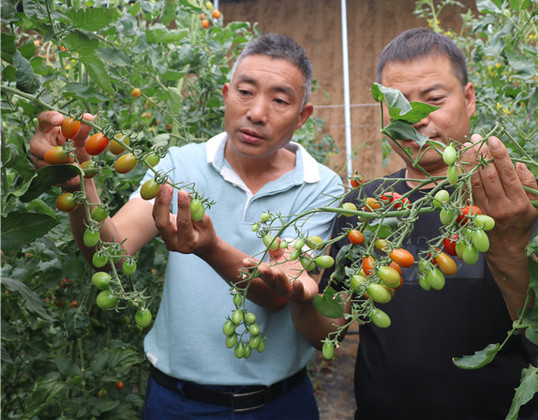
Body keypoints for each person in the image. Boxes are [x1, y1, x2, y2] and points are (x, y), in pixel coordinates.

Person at [29, 33, 343, 419]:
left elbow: (280, 293)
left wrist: (209, 247)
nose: (257, 112)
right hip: (175, 402)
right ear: (227, 94)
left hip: (278, 404)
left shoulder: (321, 184)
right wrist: (80, 185)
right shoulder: (179, 164)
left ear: (302, 115)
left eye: (280, 100)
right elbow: (109, 255)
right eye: (245, 92)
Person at [322, 28, 538, 420]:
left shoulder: (517, 198)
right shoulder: (363, 207)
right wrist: (299, 291)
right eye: (397, 104)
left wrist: (509, 245)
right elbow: (328, 322)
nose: (416, 119)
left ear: (469, 99)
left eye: (434, 100)